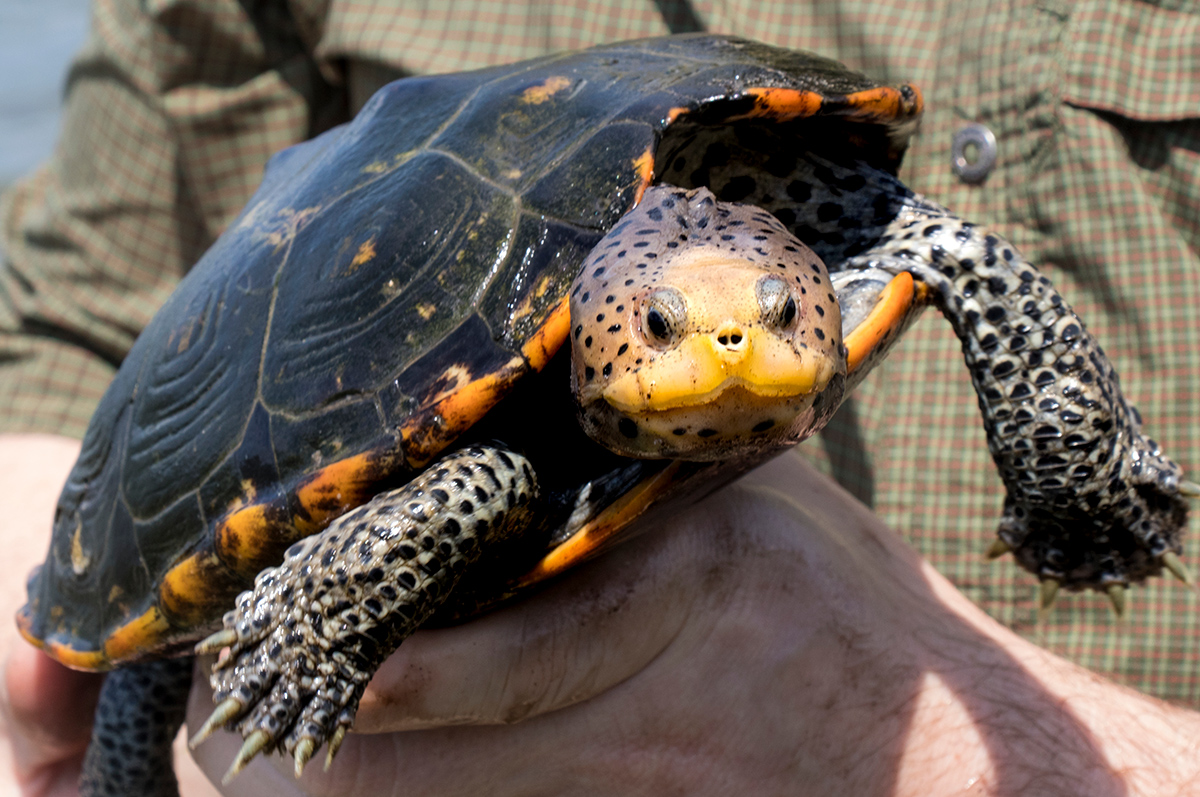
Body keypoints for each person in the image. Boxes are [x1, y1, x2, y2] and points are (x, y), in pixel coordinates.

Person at [2, 1, 1198, 794]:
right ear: (618, 328)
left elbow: (961, 257)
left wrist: (876, 699)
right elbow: (75, 327)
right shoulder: (513, 446)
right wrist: (287, 643)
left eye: (779, 317)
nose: (733, 342)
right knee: (164, 642)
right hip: (323, 431)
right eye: (676, 329)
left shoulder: (845, 218)